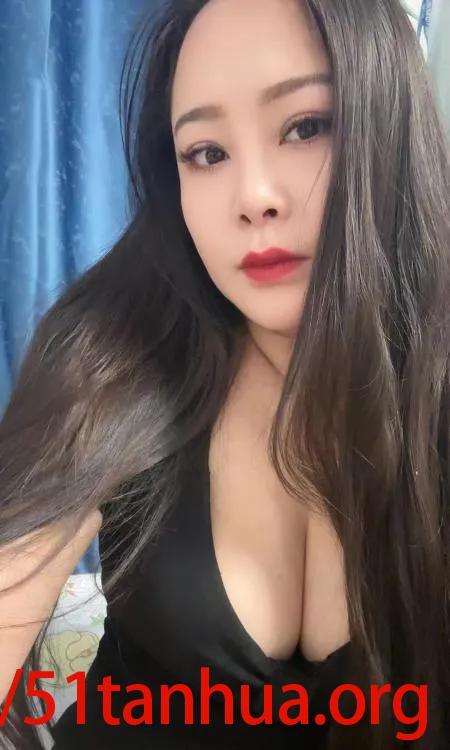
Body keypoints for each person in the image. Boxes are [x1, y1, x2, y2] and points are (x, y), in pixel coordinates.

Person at [0, 0, 449, 748]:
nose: (253, 199)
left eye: (306, 126)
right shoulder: (115, 350)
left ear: (391, 125)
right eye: (206, 153)